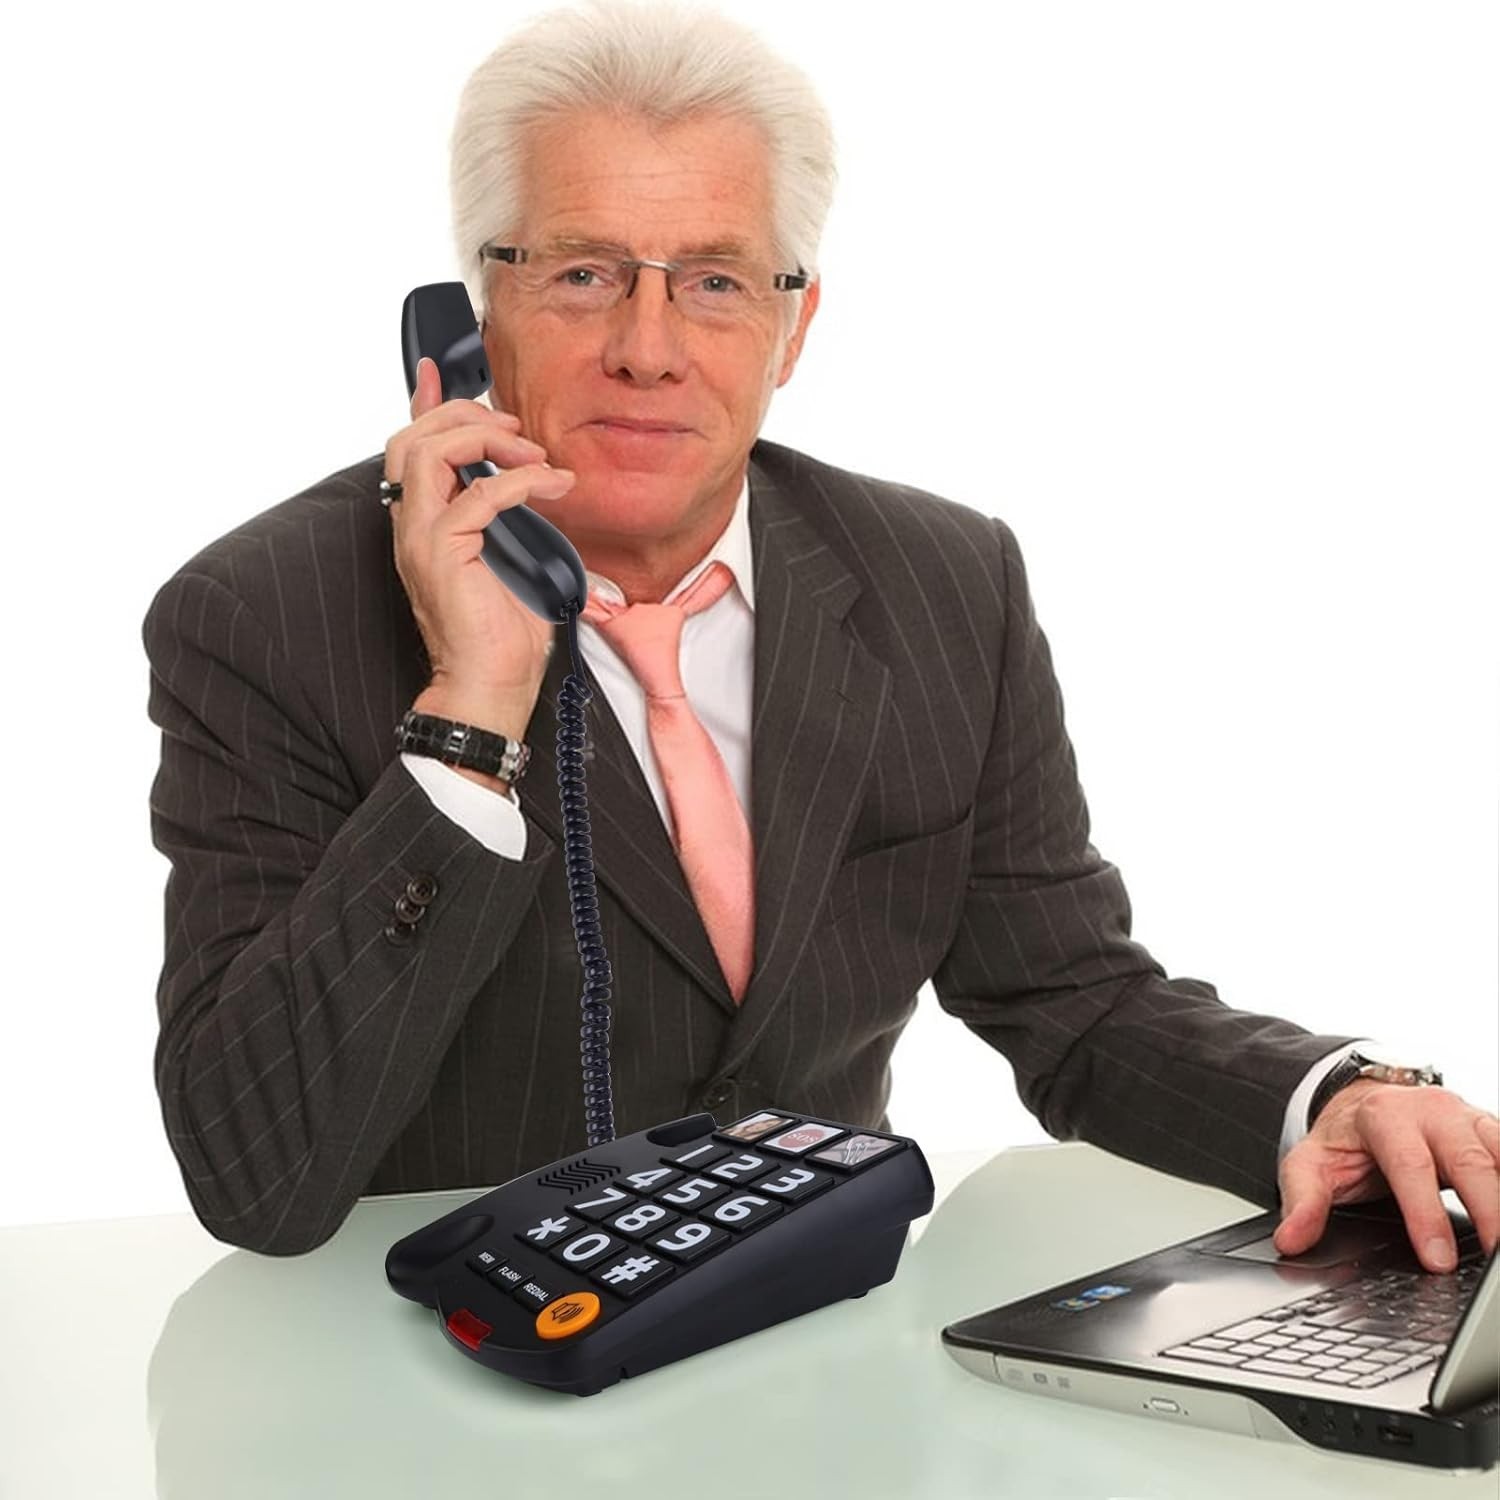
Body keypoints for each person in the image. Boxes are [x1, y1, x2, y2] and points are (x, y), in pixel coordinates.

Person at [142, 0, 1498, 1260]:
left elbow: (1073, 1003)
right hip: (448, 1367)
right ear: (473, 320)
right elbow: (255, 1175)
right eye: (584, 273)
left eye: (716, 283)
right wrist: (470, 714)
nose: (649, 348)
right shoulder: (265, 618)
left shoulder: (942, 581)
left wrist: (1333, 1092)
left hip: (830, 1354)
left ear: (792, 330)